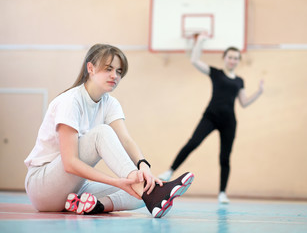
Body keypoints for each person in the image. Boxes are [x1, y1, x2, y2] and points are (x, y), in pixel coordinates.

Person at [24, 44, 194, 218]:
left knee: (138, 195)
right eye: (109, 69)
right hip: (42, 186)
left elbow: (126, 140)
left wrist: (144, 165)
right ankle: (150, 191)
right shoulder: (70, 101)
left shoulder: (110, 103)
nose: (115, 76)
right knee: (102, 134)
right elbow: (69, 163)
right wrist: (117, 182)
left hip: (74, 189)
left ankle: (97, 205)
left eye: (119, 72)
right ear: (90, 68)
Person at [158, 33, 263, 204]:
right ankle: (170, 171)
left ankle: (222, 192)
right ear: (225, 58)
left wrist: (259, 92)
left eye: (236, 58)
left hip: (229, 122)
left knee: (225, 157)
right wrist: (200, 41)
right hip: (211, 116)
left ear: (238, 61)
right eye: (230, 57)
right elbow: (194, 61)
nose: (233, 60)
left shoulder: (239, 81)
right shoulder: (215, 73)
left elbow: (244, 103)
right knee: (193, 142)